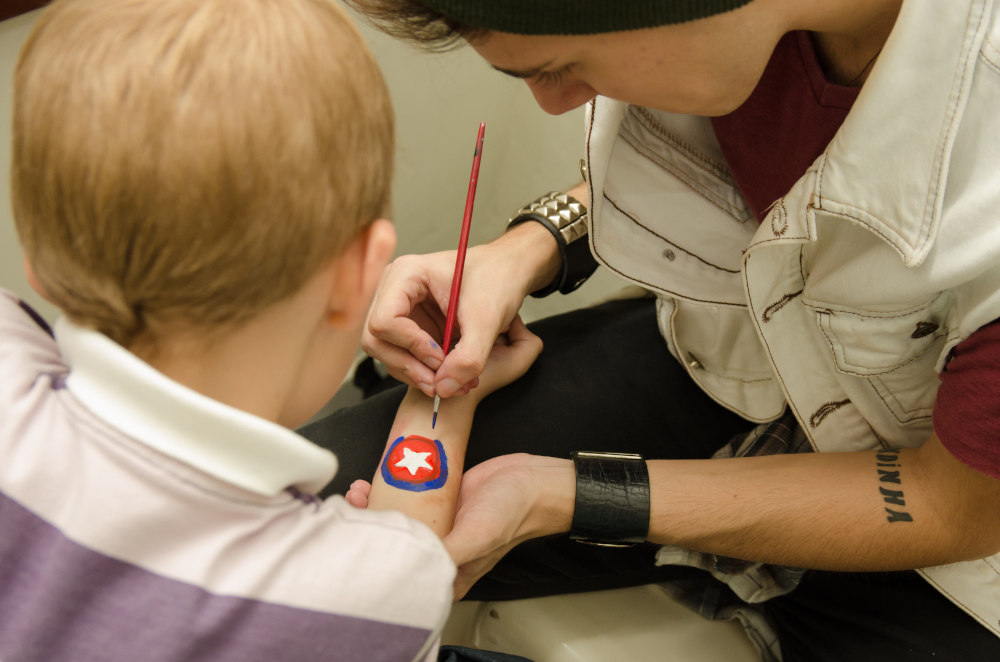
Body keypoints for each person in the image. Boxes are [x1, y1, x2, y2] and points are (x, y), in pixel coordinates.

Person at [302, 0, 1000, 660]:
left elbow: (950, 503)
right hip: (739, 365)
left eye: (560, 66)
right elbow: (741, 173)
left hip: (951, 534)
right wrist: (524, 251)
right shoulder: (740, 37)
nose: (554, 103)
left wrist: (561, 493)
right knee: (298, 536)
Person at [0, 0, 543, 660]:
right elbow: (413, 555)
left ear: (37, 264)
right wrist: (452, 394)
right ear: (362, 275)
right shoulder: (372, 596)